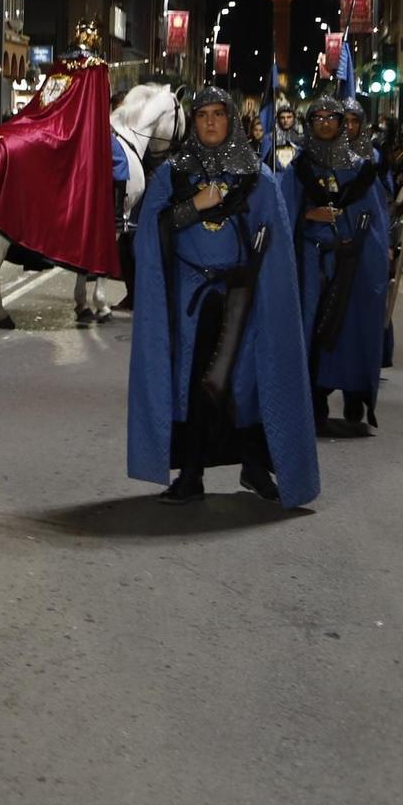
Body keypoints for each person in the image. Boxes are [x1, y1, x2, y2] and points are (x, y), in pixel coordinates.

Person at [129, 87, 318, 507]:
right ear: (192, 122)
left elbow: (275, 242)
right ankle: (191, 474)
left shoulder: (256, 176)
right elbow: (150, 230)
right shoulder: (174, 173)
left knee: (243, 383)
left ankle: (253, 465)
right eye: (202, 115)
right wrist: (193, 206)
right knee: (196, 384)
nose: (211, 122)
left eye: (218, 114)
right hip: (190, 300)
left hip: (241, 299)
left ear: (231, 119)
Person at [279, 95, 391, 436]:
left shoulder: (361, 169)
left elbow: (376, 221)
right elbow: (283, 214)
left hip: (353, 260)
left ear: (343, 124)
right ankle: (315, 399)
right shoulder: (299, 169)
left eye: (332, 118)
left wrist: (368, 256)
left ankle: (355, 394)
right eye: (319, 118)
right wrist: (308, 215)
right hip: (312, 258)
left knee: (352, 328)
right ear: (309, 124)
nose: (325, 123)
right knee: (312, 328)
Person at [262, 103, 302, 170]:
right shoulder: (270, 138)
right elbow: (264, 163)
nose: (286, 120)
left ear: (294, 118)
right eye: (282, 117)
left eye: (289, 117)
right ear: (278, 119)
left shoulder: (300, 139)